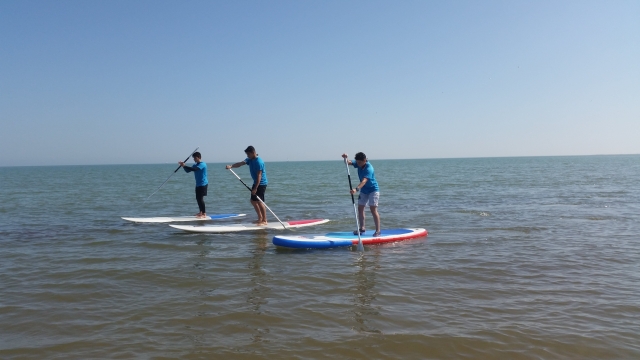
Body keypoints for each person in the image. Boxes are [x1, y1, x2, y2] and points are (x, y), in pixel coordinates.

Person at [226, 146, 268, 225]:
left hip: (261, 183)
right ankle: (260, 218)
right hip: (256, 182)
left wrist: (255, 188)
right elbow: (241, 163)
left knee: (260, 201)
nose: (247, 156)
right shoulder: (249, 160)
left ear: (253, 152)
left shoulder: (259, 162)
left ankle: (265, 220)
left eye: (248, 154)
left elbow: (259, 176)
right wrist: (231, 166)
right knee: (253, 201)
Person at [342, 152, 381, 236]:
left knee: (373, 210)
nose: (358, 164)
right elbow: (348, 163)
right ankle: (362, 228)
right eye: (357, 162)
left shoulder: (369, 168)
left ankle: (378, 230)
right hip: (364, 190)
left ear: (364, 160)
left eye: (359, 162)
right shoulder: (358, 163)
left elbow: (364, 181)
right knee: (360, 208)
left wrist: (356, 189)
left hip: (373, 190)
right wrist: (345, 158)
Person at [179, 151, 208, 218]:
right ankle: (200, 212)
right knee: (197, 198)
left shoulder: (203, 164)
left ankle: (204, 214)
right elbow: (188, 171)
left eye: (194, 158)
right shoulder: (195, 164)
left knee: (201, 199)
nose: (194, 159)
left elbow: (195, 169)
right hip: (198, 184)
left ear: (198, 157)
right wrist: (183, 166)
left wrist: (185, 165)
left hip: (203, 184)